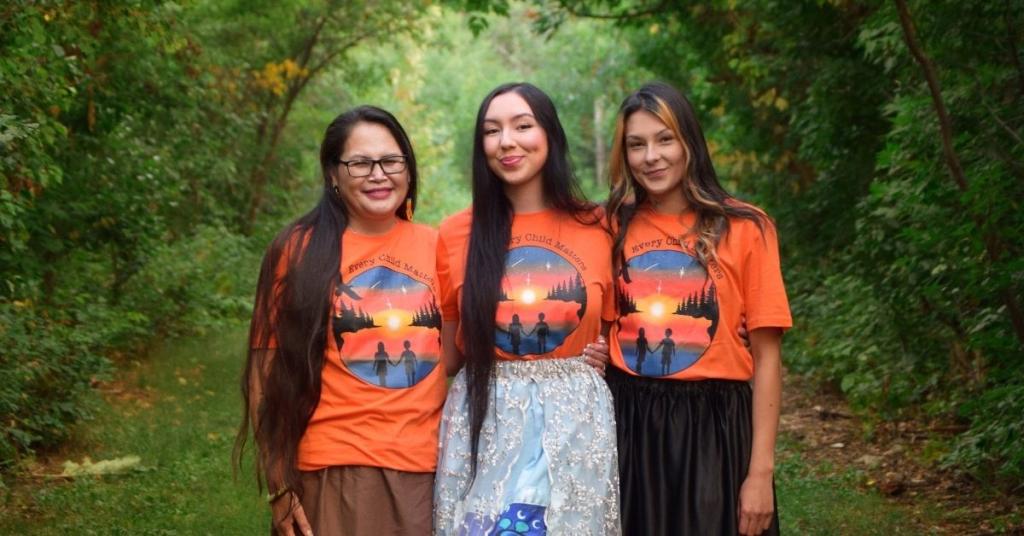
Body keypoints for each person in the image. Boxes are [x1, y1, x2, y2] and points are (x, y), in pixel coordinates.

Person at [235, 106, 447, 535]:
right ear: (333, 174)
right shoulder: (298, 250)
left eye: (391, 161)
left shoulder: (437, 245)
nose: (378, 174)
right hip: (334, 467)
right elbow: (264, 374)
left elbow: (467, 344)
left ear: (408, 168)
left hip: (428, 465)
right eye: (360, 163)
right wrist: (279, 484)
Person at [434, 82, 621, 535]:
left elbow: (621, 328)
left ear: (550, 136)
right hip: (486, 416)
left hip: (575, 423)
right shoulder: (457, 232)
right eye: (492, 130)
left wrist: (600, 355)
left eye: (523, 126)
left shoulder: (599, 225)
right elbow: (448, 354)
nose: (507, 142)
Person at [605, 82, 791, 535]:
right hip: (630, 422)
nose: (651, 156)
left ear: (689, 141)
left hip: (714, 426)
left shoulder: (745, 226)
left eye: (664, 138)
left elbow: (767, 357)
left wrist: (760, 474)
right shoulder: (611, 225)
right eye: (637, 144)